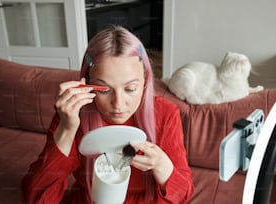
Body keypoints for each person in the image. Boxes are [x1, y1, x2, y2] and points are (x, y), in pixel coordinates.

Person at [22, 25, 194, 203]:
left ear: (145, 81)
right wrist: (66, 129)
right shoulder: (72, 116)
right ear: (87, 83)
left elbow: (183, 193)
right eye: (104, 90)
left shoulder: (165, 114)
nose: (118, 104)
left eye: (130, 89)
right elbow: (37, 199)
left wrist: (162, 166)